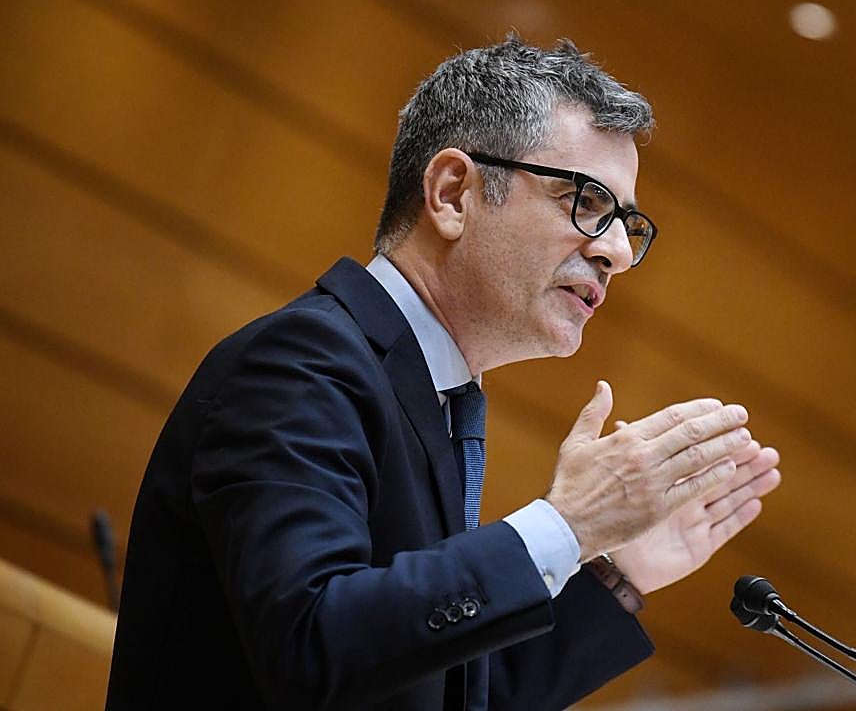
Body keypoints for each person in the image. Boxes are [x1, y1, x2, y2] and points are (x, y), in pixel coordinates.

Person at [106, 36, 782, 710]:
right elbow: (314, 646)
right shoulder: (301, 364)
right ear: (453, 192)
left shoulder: (433, 400)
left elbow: (424, 690)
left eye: (627, 223)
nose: (616, 253)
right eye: (587, 202)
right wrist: (566, 525)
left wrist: (615, 571)